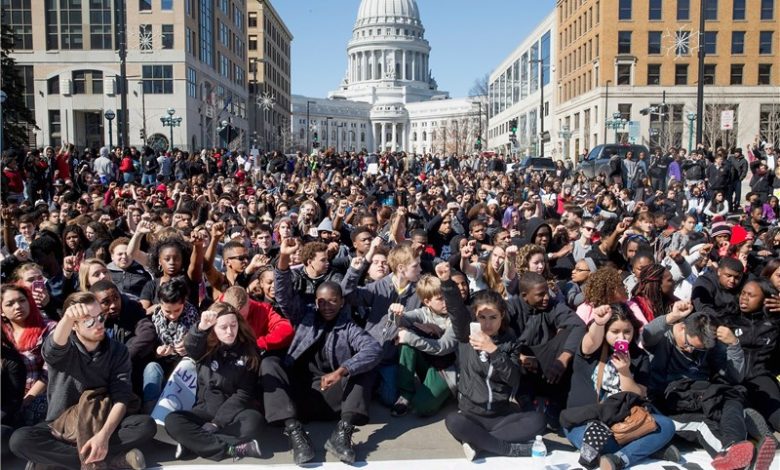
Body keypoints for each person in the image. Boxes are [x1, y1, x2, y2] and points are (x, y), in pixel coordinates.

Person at [9, 292, 156, 469]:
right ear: (74, 326)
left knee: (145, 425)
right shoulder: (64, 348)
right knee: (19, 440)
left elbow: (121, 397)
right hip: (62, 426)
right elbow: (52, 349)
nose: (99, 324)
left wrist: (103, 436)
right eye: (88, 320)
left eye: (100, 317)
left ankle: (60, 460)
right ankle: (109, 461)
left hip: (102, 419)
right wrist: (67, 318)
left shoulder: (118, 351)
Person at [271, 238, 382, 464]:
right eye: (322, 302)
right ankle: (294, 432)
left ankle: (342, 435)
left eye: (333, 301)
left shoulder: (348, 327)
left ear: (342, 303)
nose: (327, 306)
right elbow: (282, 295)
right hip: (301, 396)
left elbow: (373, 349)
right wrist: (283, 258)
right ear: (316, 302)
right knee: (269, 363)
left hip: (332, 396)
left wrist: (341, 371)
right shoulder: (304, 314)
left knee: (366, 368)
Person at [642, 305, 775, 470]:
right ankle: (736, 454)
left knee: (731, 395)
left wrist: (734, 345)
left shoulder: (707, 345)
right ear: (682, 326)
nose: (691, 351)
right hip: (670, 399)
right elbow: (646, 335)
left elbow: (735, 377)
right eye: (689, 344)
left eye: (698, 349)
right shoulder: (664, 338)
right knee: (706, 422)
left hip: (702, 395)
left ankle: (736, 450)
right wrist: (671, 316)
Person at [437, 262, 547, 461]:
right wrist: (446, 283)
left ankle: (478, 443)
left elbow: (513, 379)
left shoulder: (510, 340)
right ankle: (506, 448)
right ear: (475, 317)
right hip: (471, 414)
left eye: (493, 317)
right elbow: (456, 310)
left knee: (538, 421)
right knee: (453, 421)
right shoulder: (466, 334)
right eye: (482, 317)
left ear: (502, 316)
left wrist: (494, 351)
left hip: (501, 416)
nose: (487, 323)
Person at [562, 303, 677, 469]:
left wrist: (625, 372)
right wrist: (599, 322)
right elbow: (591, 341)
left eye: (627, 331)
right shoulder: (591, 352)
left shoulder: (639, 357)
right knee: (595, 444)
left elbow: (639, 394)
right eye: (615, 332)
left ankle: (619, 460)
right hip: (585, 421)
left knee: (666, 426)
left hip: (625, 421)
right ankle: (646, 448)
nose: (622, 337)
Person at [164, 302, 264, 461]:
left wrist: (217, 423)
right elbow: (191, 346)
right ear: (214, 330)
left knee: (254, 421)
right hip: (205, 409)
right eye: (223, 327)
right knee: (173, 421)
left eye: (233, 325)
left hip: (232, 412)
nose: (230, 331)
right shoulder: (206, 348)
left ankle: (193, 444)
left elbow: (243, 394)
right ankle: (233, 449)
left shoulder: (249, 351)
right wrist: (201, 328)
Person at [390, 274, 457, 417]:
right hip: (429, 361)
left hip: (446, 369)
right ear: (427, 302)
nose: (446, 301)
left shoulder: (456, 316)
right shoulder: (424, 313)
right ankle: (405, 394)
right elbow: (403, 321)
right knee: (406, 343)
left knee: (421, 408)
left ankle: (443, 393)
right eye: (440, 299)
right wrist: (395, 314)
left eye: (447, 296)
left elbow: (443, 347)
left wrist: (409, 336)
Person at [136, 276, 200, 410]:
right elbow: (147, 343)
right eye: (168, 311)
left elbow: (202, 348)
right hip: (162, 365)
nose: (172, 315)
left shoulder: (194, 318)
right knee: (151, 368)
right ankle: (150, 411)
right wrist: (157, 351)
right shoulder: (154, 317)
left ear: (184, 303)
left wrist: (190, 345)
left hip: (184, 369)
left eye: (177, 310)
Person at [0, 284, 56, 425]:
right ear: (1, 311)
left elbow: (49, 373)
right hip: (10, 399)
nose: (18, 306)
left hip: (42, 396)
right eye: (10, 304)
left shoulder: (50, 329)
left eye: (22, 300)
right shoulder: (3, 335)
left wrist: (26, 401)